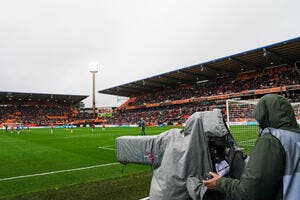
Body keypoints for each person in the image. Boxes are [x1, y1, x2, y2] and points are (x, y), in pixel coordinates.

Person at [203, 94, 300, 200]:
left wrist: (220, 183)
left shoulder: (271, 140)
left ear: (263, 114)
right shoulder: (296, 136)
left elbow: (250, 193)